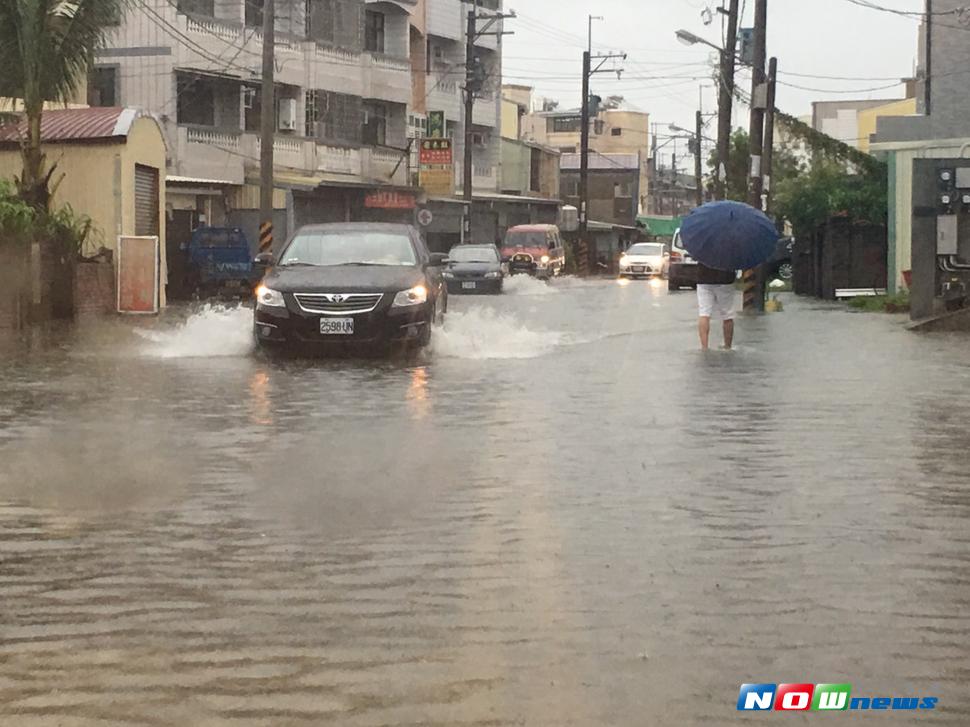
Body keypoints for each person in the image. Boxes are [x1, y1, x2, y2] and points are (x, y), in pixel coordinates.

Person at [696, 263, 737, 350]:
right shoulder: (730, 249)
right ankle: (728, 346)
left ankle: (704, 346)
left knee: (704, 313)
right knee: (727, 314)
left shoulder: (703, 249)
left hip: (704, 278)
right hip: (725, 278)